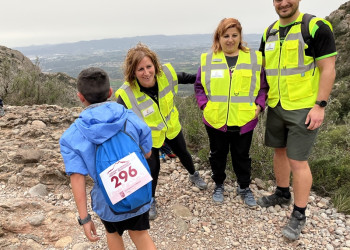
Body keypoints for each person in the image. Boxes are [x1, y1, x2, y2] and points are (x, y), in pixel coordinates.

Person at [257, 0, 337, 241]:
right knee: (279, 151)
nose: (283, 2)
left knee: (298, 160)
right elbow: (263, 70)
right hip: (276, 105)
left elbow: (328, 68)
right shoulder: (268, 32)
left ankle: (299, 214)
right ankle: (282, 193)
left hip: (304, 107)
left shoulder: (315, 27)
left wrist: (320, 106)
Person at [59, 67, 156, 250]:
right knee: (141, 234)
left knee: (113, 233)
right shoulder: (129, 117)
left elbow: (77, 178)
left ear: (80, 97)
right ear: (110, 92)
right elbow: (148, 152)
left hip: (107, 201)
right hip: (138, 191)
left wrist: (85, 218)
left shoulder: (72, 136)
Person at [115, 43, 207, 220]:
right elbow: (116, 116)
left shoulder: (166, 76)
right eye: (140, 69)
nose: (146, 72)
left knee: (183, 153)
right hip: (148, 137)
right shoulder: (126, 94)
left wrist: (213, 81)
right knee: (153, 168)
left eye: (149, 66)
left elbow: (189, 77)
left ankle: (193, 175)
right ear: (133, 72)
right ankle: (151, 200)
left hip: (171, 127)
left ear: (155, 66)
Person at [194, 18, 268, 206]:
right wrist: (205, 106)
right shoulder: (208, 59)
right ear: (218, 37)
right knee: (217, 154)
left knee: (242, 155)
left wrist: (259, 105)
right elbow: (199, 86)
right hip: (215, 118)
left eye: (234, 35)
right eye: (225, 35)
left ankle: (244, 186)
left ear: (240, 36)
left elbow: (263, 86)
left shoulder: (254, 58)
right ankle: (219, 184)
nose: (230, 39)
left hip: (244, 118)